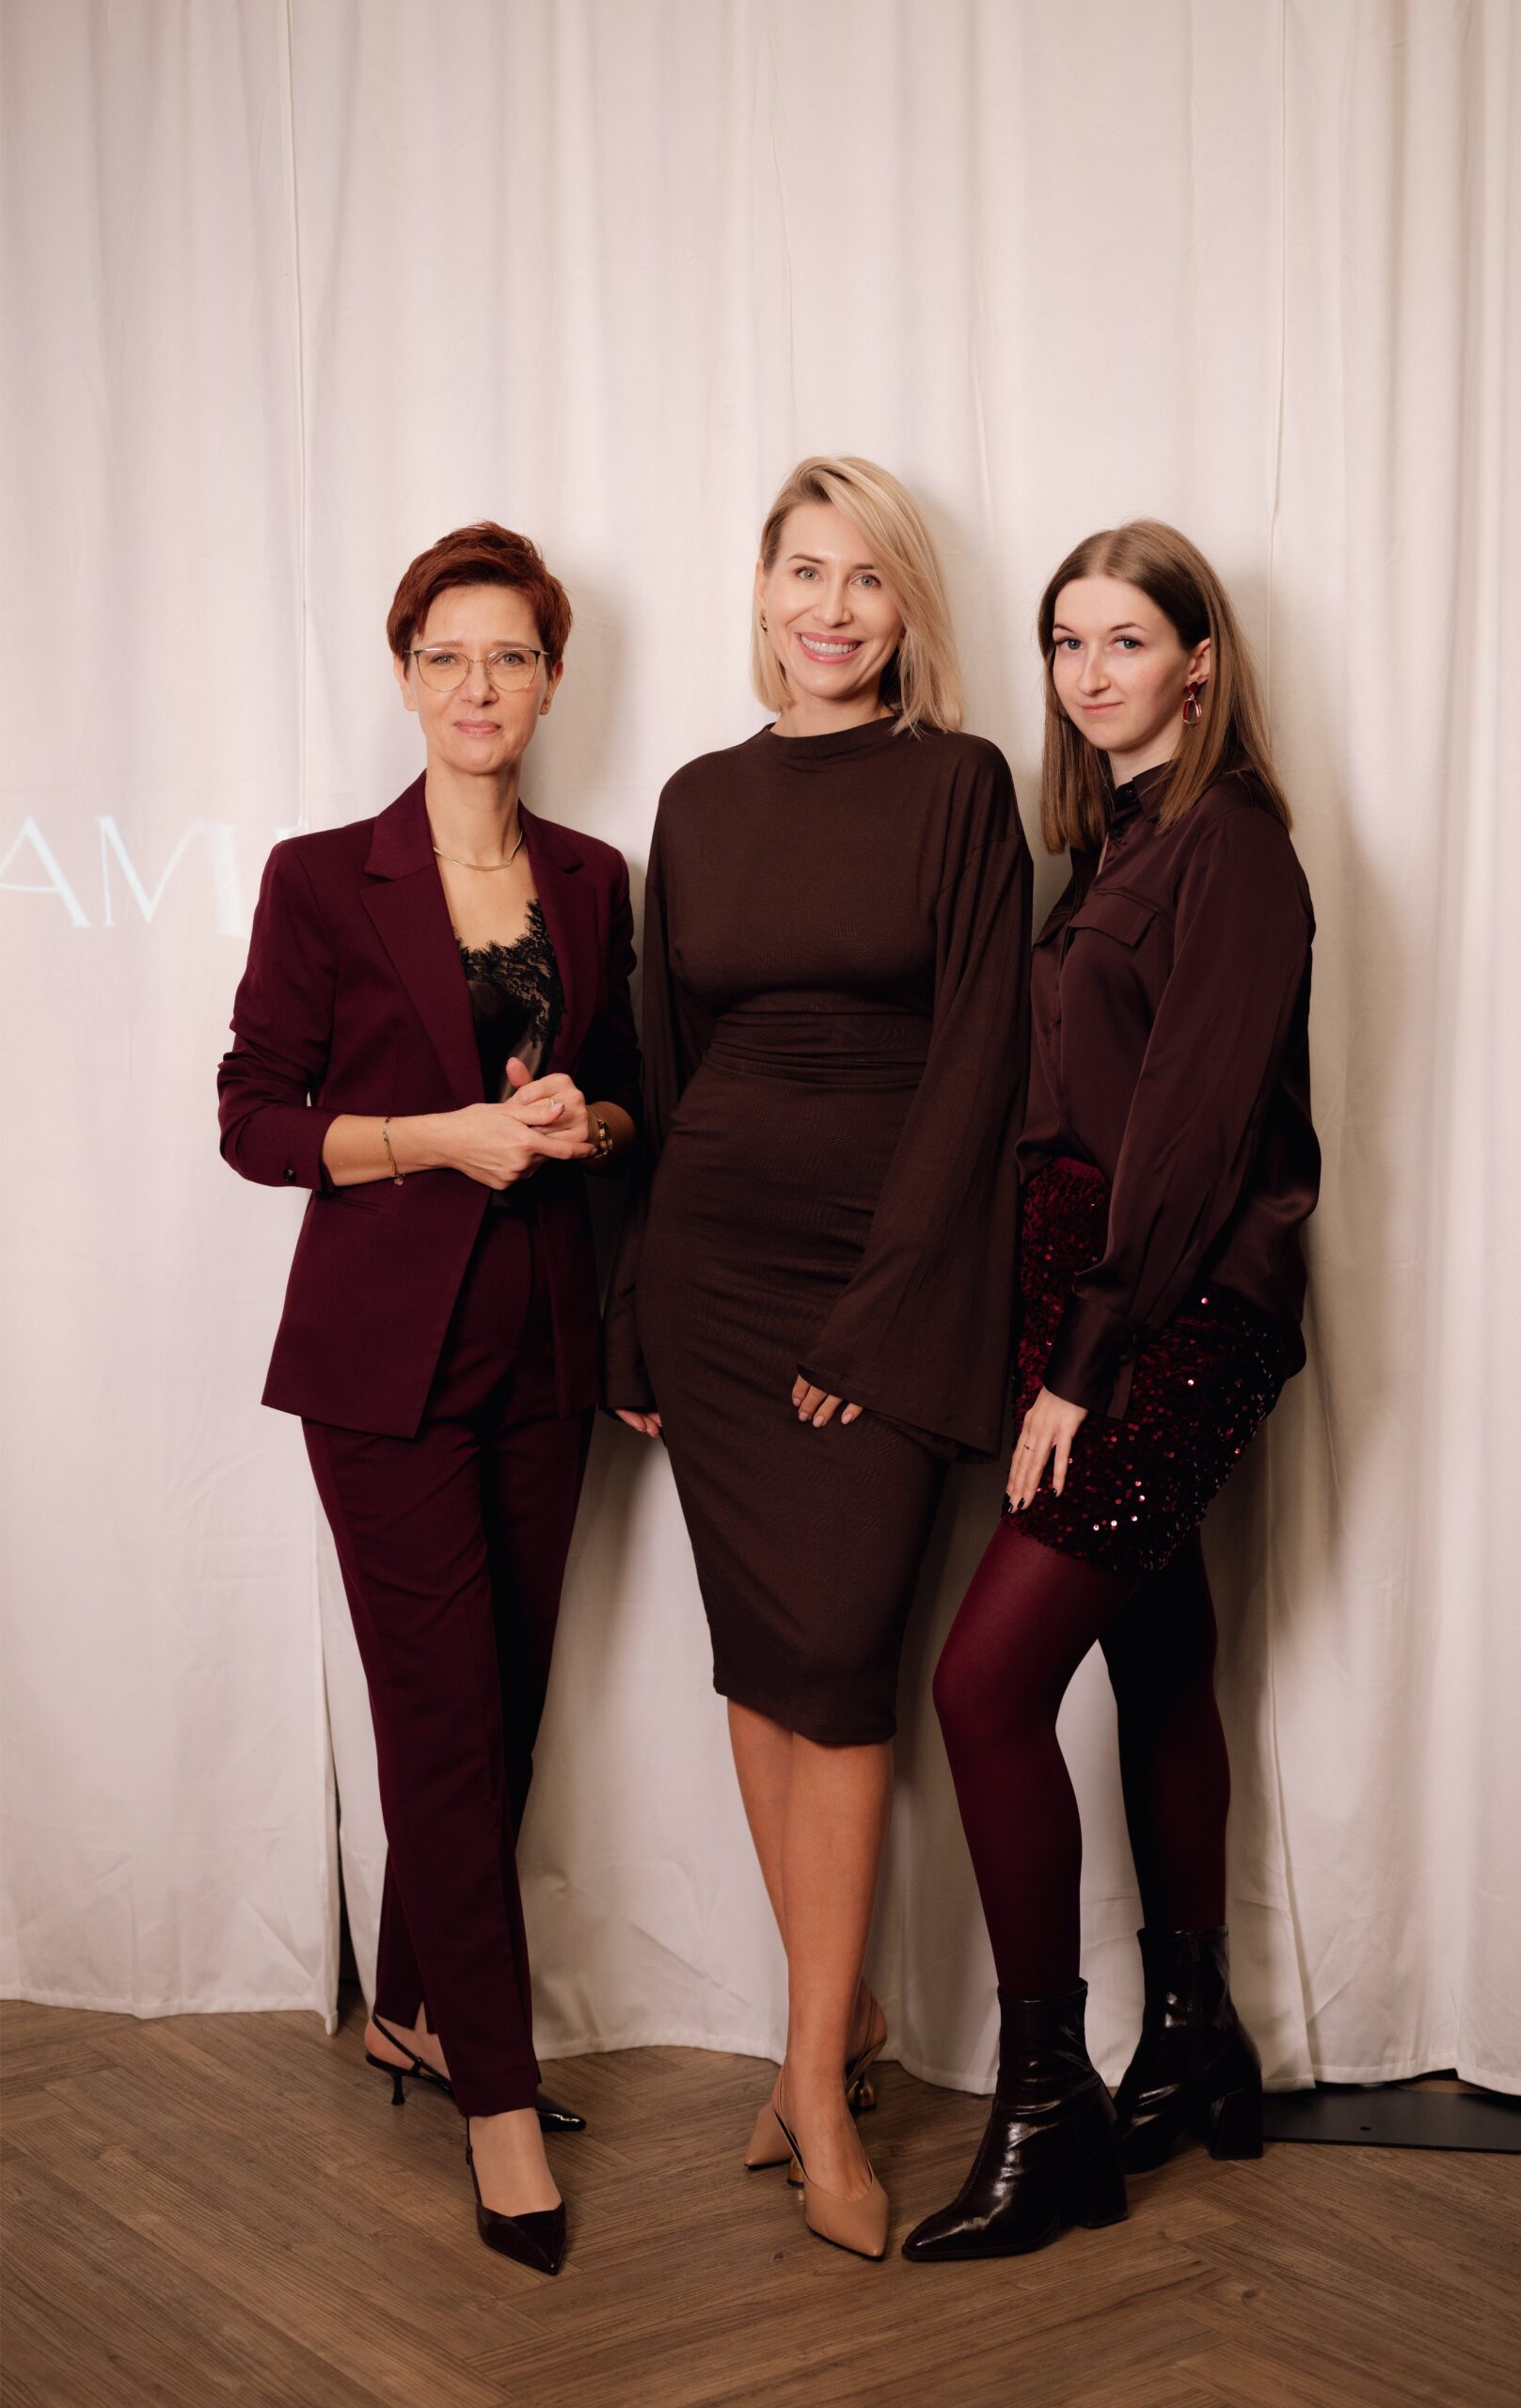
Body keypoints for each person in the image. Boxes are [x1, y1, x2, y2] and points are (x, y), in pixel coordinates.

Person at [606, 456, 1031, 2262]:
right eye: (803, 571)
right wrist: (634, 1303)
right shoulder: (698, 802)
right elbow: (663, 1063)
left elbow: (986, 1063)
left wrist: (884, 1319)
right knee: (766, 1665)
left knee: (845, 1667)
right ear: (764, 592)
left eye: (865, 577)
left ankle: (814, 2079)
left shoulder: (961, 785)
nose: (831, 608)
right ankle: (824, 2042)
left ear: (905, 605)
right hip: (710, 1276)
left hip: (883, 1276)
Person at [218, 522, 641, 2278]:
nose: (480, 686)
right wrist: (436, 1140)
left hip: (545, 1356)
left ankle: (409, 2005)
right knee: (442, 1719)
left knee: (509, 1709)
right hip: (382, 1369)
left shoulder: (594, 878)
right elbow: (254, 1118)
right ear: (405, 676)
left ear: (551, 680)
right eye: (448, 656)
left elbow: (627, 1096)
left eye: (511, 657)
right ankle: (495, 2096)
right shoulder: (326, 879)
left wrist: (578, 1122)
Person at [904, 520, 1319, 2263]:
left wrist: (1087, 1364)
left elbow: (1196, 1131)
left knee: (982, 1686)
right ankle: (1198, 2042)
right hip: (1093, 1296)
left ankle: (1047, 2112)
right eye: (1065, 643)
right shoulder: (1119, 842)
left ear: (1199, 663)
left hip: (1164, 1312)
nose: (1088, 673)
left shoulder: (1235, 845)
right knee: (1157, 1656)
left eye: (1126, 640)